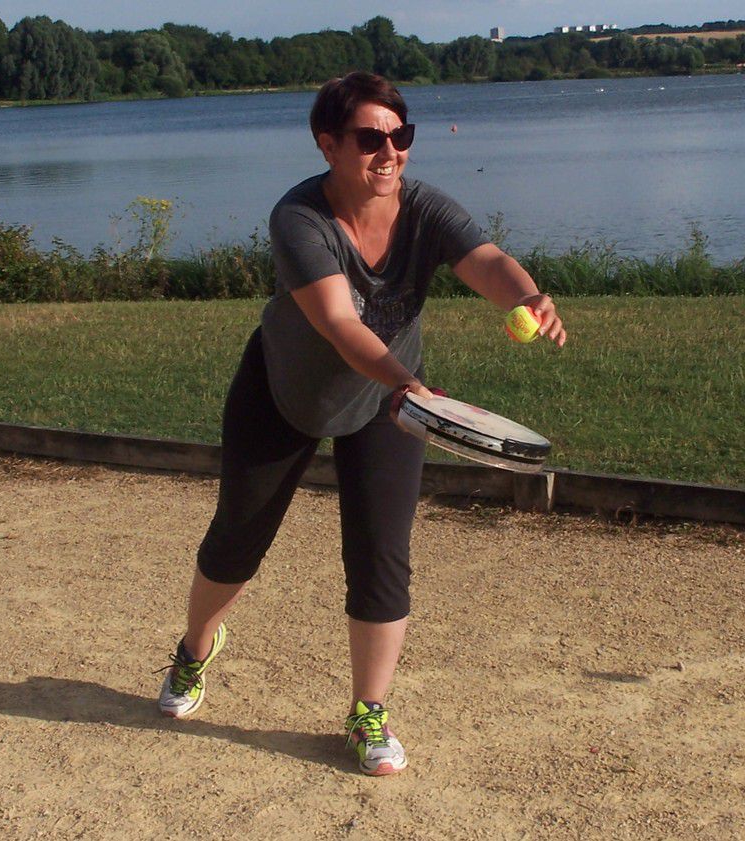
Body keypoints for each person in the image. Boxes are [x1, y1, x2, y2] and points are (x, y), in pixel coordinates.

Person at [156, 71, 567, 776]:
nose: (390, 151)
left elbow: (487, 260)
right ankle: (194, 649)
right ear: (328, 145)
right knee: (236, 540)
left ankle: (367, 710)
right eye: (371, 138)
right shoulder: (299, 219)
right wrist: (411, 384)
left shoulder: (425, 208)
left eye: (401, 136)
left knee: (382, 551)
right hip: (286, 392)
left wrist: (528, 293)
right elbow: (342, 325)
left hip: (385, 402)